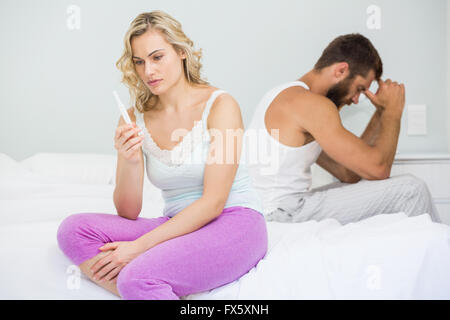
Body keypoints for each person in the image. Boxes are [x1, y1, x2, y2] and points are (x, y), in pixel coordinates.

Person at [57, 11, 267, 300]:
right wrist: (129, 159)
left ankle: (144, 285)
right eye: (139, 62)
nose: (148, 72)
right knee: (73, 230)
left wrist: (139, 247)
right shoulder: (133, 118)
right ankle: (151, 289)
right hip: (176, 224)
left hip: (234, 221)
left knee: (137, 277)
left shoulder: (221, 105)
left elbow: (213, 202)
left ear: (181, 52)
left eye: (157, 57)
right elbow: (128, 212)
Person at [245, 33, 440, 225]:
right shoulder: (312, 105)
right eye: (360, 89)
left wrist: (381, 111)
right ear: (341, 70)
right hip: (280, 214)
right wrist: (392, 112)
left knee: (394, 187)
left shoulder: (286, 96)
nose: (356, 100)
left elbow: (348, 173)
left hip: (271, 210)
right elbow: (379, 169)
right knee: (412, 190)